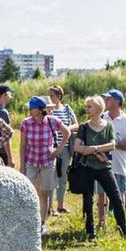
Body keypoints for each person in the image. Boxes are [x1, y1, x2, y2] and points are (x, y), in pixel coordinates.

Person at [73, 95, 126, 240]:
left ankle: (124, 231)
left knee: (116, 198)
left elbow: (112, 145)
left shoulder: (108, 126)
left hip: (104, 167)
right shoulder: (84, 127)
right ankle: (90, 232)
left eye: (89, 106)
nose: (87, 109)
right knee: (88, 199)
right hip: (87, 167)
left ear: (98, 108)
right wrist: (98, 152)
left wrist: (93, 149)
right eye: (87, 106)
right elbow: (77, 147)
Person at [19, 96, 69, 232]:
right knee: (28, 192)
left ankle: (41, 224)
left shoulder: (53, 121)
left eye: (32, 107)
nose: (29, 110)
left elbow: (67, 133)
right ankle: (27, 222)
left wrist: (58, 150)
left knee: (44, 193)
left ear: (40, 110)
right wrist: (22, 166)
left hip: (48, 162)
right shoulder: (26, 123)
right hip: (31, 162)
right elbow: (22, 146)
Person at [96, 89, 126, 231]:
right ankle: (101, 222)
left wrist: (113, 143)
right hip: (102, 163)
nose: (105, 101)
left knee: (119, 194)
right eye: (105, 98)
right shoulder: (102, 117)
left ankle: (121, 224)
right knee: (101, 194)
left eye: (108, 98)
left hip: (119, 164)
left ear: (117, 101)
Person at [47, 85, 78, 214]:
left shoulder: (67, 109)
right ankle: (49, 207)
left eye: (52, 96)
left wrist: (65, 129)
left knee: (63, 177)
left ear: (59, 96)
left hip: (65, 148)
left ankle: (60, 205)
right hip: (51, 148)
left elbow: (76, 124)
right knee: (50, 177)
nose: (50, 98)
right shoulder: (48, 110)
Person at [0, 84, 15, 165]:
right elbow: (6, 137)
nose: (9, 96)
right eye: (8, 94)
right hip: (1, 152)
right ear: (3, 95)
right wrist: (10, 157)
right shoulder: (3, 112)